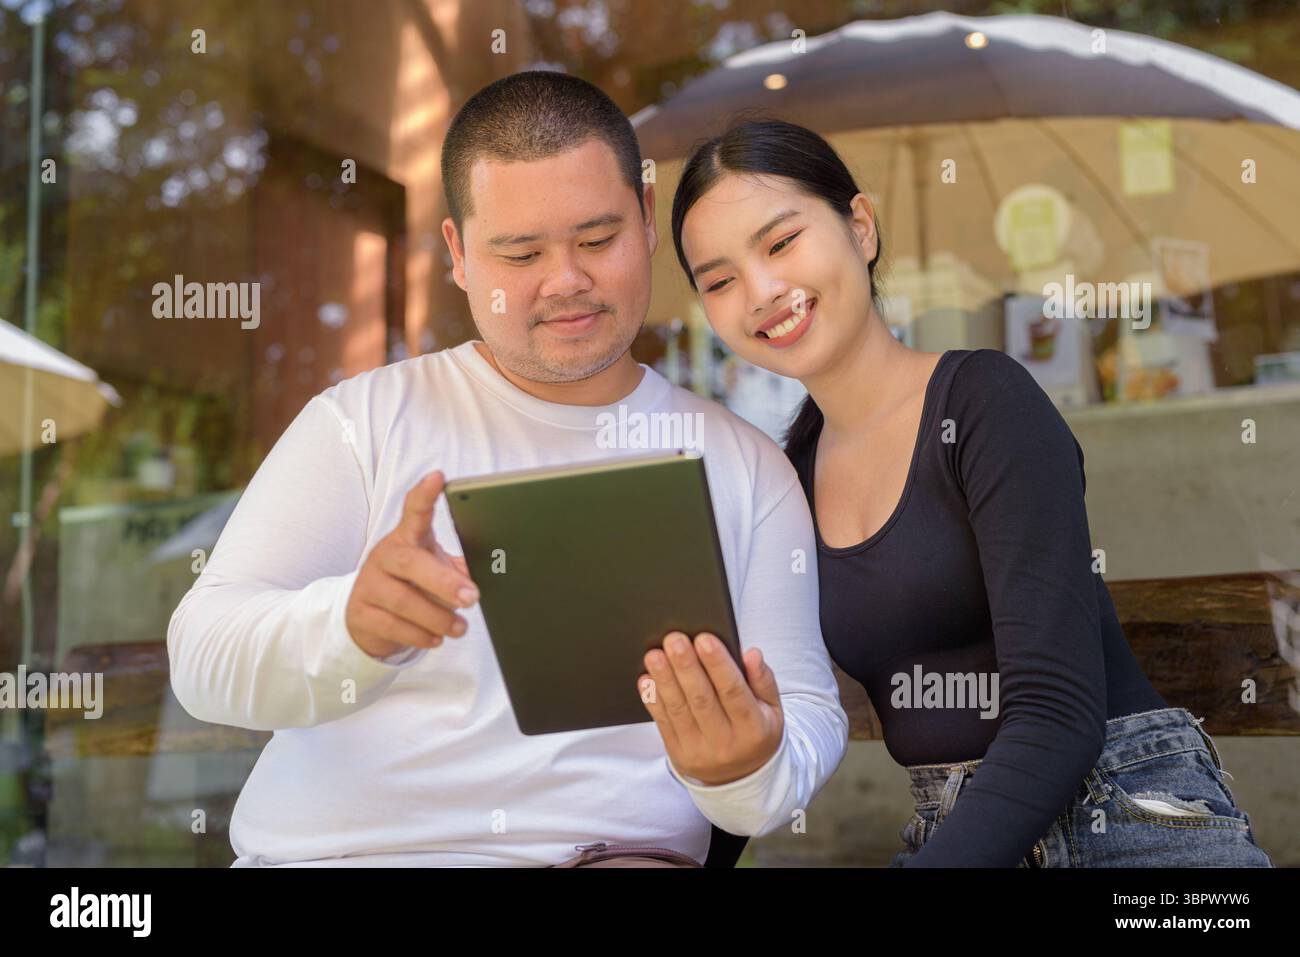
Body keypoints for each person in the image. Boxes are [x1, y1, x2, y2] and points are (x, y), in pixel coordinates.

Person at [166, 75, 848, 868]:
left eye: (597, 241)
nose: (565, 281)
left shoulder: (747, 467)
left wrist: (739, 767)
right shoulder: (362, 422)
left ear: (645, 214)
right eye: (520, 252)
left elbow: (803, 718)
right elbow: (203, 661)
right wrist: (348, 627)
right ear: (457, 253)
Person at [670, 117, 1273, 867]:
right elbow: (751, 711)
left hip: (1128, 814)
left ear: (860, 227)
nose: (760, 291)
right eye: (720, 280)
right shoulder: (781, 482)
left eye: (782, 242)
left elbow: (1058, 716)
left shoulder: (985, 401)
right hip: (951, 832)